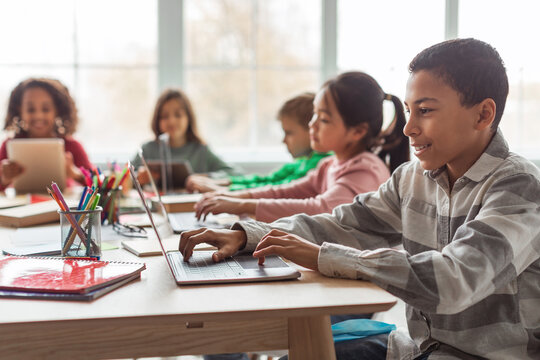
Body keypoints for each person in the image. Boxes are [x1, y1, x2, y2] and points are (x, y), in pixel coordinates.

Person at [179, 38, 540, 359]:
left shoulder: (520, 187)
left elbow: (454, 281)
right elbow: (340, 224)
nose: (408, 127)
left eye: (425, 111)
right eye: (410, 109)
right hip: (416, 350)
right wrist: (250, 235)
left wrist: (324, 257)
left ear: (483, 114)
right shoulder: (412, 179)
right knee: (302, 348)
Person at [194, 71, 409, 223]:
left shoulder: (366, 169)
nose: (311, 124)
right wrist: (232, 198)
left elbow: (322, 209)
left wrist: (241, 206)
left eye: (323, 119)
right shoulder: (329, 165)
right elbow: (284, 192)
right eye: (314, 114)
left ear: (358, 131)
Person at [185, 92, 331, 193]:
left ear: (311, 129)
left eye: (289, 133)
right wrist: (218, 183)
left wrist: (221, 190)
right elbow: (267, 180)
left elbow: (277, 190)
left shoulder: (319, 164)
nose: (283, 140)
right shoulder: (302, 162)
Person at [131, 88, 236, 187]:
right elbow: (123, 179)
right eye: (164, 116)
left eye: (178, 115)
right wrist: (137, 178)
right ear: (157, 120)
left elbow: (235, 173)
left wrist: (206, 178)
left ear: (188, 118)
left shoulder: (200, 150)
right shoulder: (147, 149)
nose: (171, 121)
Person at [0, 78, 92, 191]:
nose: (38, 116)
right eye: (30, 109)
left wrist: (74, 174)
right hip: (24, 206)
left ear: (57, 110)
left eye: (46, 109)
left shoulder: (72, 146)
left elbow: (97, 184)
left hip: (62, 207)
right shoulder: (9, 146)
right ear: (20, 110)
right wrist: (4, 179)